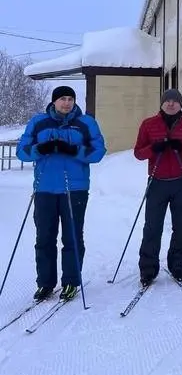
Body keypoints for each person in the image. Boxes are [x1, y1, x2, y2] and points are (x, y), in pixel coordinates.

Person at [16, 86, 106, 301]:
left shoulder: (86, 123)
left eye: (70, 99)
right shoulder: (39, 122)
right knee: (44, 237)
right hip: (45, 188)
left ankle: (70, 282)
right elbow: (22, 150)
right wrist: (41, 149)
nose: (67, 103)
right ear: (54, 101)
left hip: (74, 189)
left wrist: (75, 151)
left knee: (72, 237)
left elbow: (98, 152)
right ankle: (45, 284)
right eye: (62, 99)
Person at [133, 89, 182, 286]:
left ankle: (177, 265)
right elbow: (138, 153)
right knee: (152, 227)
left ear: (181, 104)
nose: (171, 104)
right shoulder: (149, 124)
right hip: (157, 181)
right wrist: (153, 149)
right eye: (167, 101)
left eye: (175, 101)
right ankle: (148, 269)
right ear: (162, 103)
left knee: (181, 227)